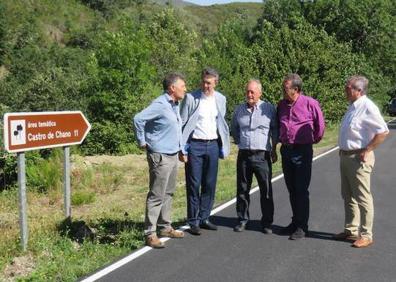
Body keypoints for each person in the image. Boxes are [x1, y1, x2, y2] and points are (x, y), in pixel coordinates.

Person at [334, 75, 389, 248]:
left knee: (363, 198)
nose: (345, 89)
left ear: (359, 90)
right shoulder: (352, 106)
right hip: (346, 156)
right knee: (348, 195)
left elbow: (383, 131)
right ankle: (350, 230)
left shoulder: (367, 107)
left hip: (359, 157)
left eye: (348, 87)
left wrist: (368, 149)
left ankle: (366, 234)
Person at [133, 73, 186, 248]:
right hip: (160, 156)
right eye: (182, 86)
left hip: (172, 155)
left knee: (169, 192)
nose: (185, 89)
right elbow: (138, 119)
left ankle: (165, 227)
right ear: (172, 88)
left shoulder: (175, 105)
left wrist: (180, 150)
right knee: (156, 194)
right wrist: (142, 141)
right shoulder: (161, 104)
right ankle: (150, 233)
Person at [180, 67, 230, 235]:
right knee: (194, 184)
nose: (205, 85)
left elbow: (221, 122)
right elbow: (183, 123)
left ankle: (204, 217)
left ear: (215, 82)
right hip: (195, 145)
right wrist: (183, 149)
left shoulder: (221, 99)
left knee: (209, 183)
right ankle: (193, 220)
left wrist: (223, 144)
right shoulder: (191, 98)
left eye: (209, 83)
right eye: (203, 82)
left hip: (213, 145)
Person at [277, 73, 325, 240]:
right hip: (286, 150)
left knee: (301, 190)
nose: (283, 91)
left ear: (295, 89)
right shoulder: (281, 105)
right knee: (291, 189)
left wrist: (311, 141)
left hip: (302, 151)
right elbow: (279, 125)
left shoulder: (310, 103)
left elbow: (320, 127)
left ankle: (302, 226)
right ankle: (295, 221)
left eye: (285, 88)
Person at [231, 79, 278, 233]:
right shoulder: (239, 110)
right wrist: (240, 142)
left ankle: (266, 223)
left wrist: (274, 149)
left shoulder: (269, 109)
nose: (249, 94)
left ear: (259, 93)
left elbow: (275, 130)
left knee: (266, 190)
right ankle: (243, 219)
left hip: (262, 155)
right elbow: (234, 129)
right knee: (242, 189)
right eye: (247, 91)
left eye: (252, 92)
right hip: (244, 155)